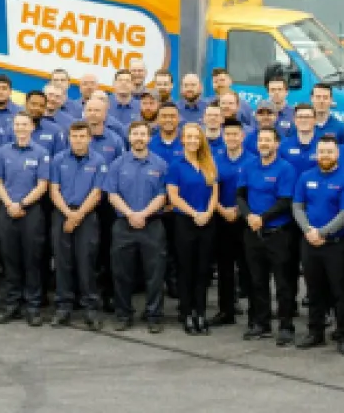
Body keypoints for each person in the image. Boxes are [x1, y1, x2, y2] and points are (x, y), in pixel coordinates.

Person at [294, 135, 344, 355]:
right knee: (314, 290)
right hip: (310, 242)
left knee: (341, 292)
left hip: (336, 244)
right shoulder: (305, 176)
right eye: (321, 152)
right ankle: (315, 332)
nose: (325, 156)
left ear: (337, 153)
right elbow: (298, 206)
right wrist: (309, 231)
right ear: (316, 153)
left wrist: (322, 232)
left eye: (329, 152)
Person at [238, 126, 298, 345]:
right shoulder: (248, 166)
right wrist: (250, 217)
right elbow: (240, 196)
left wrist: (262, 217)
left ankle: (285, 325)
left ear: (277, 143)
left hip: (278, 234)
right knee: (257, 281)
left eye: (268, 140)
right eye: (261, 140)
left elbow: (285, 201)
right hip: (253, 232)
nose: (263, 144)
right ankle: (261, 323)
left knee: (283, 283)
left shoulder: (286, 169)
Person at [108, 121, 168, 332]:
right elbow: (112, 194)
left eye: (143, 134)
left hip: (152, 225)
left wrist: (143, 214)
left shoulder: (160, 164)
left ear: (149, 138)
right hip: (124, 224)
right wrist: (131, 214)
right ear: (129, 137)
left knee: (155, 273)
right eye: (135, 134)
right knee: (122, 273)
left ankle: (154, 315)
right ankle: (123, 314)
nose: (139, 138)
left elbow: (162, 195)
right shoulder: (117, 164)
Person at [0, 112, 49, 326]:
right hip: (7, 210)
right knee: (10, 258)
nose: (21, 128)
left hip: (31, 212)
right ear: (13, 127)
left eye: (25, 124)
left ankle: (33, 305)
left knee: (32, 259)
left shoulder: (41, 153)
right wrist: (9, 204)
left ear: (32, 127)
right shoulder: (4, 151)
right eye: (18, 124)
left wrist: (22, 204)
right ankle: (11, 304)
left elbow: (42, 185)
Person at [50, 121, 107, 330]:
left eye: (82, 136)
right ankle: (63, 306)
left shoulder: (98, 161)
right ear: (69, 138)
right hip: (62, 213)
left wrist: (78, 215)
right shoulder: (58, 160)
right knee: (62, 261)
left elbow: (97, 192)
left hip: (87, 216)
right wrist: (68, 214)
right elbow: (53, 190)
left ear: (89, 138)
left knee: (86, 261)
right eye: (74, 137)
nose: (78, 140)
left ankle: (90, 308)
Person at [166, 122, 218, 335]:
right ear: (183, 140)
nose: (193, 141)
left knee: (203, 270)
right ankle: (187, 313)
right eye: (189, 137)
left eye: (197, 137)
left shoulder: (209, 164)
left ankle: (201, 313)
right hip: (185, 222)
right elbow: (173, 197)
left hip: (207, 221)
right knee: (186, 269)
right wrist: (194, 213)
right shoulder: (176, 165)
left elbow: (215, 193)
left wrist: (207, 213)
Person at [212, 120, 251, 326]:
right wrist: (222, 210)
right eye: (228, 135)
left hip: (245, 220)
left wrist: (238, 211)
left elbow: (253, 192)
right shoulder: (215, 160)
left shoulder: (252, 161)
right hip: (222, 218)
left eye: (235, 134)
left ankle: (256, 314)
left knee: (249, 267)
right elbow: (211, 191)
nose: (232, 138)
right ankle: (226, 311)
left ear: (242, 136)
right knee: (224, 267)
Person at [105, 70, 141, 135]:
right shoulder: (103, 104)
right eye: (120, 80)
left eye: (127, 81)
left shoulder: (141, 107)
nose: (123, 83)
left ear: (133, 86)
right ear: (114, 84)